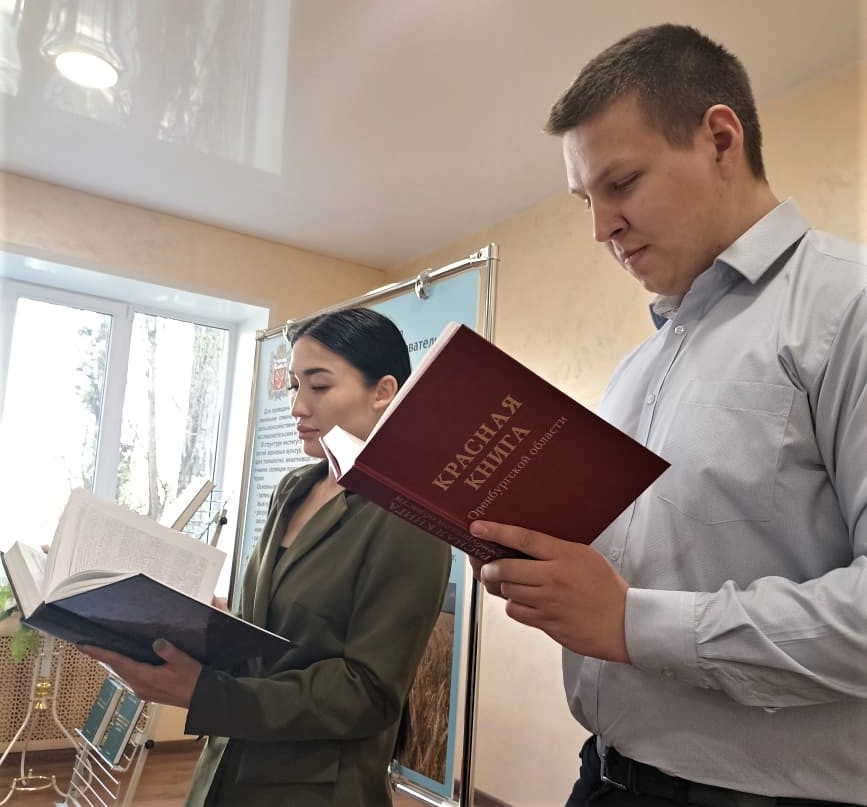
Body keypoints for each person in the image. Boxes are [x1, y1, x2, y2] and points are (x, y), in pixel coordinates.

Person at [470, 23, 867, 807]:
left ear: (719, 139)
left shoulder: (846, 305)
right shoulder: (636, 368)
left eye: (621, 183)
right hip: (602, 774)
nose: (599, 227)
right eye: (586, 200)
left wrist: (630, 621)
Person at [81, 307, 452, 806]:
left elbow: (367, 693)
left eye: (318, 386)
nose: (297, 406)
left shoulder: (407, 516)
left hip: (313, 789)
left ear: (383, 391)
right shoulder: (294, 488)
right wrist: (211, 623)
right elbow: (278, 631)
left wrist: (205, 694)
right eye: (294, 386)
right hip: (229, 763)